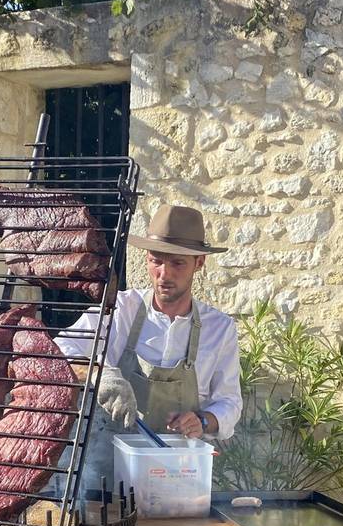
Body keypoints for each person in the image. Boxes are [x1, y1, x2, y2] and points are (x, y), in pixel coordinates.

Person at [55, 204, 243, 490]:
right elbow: (59, 347)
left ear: (199, 263)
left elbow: (230, 402)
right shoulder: (120, 309)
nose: (164, 274)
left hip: (176, 478)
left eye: (177, 263)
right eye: (156, 260)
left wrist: (203, 420)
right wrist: (98, 372)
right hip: (104, 476)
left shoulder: (219, 329)